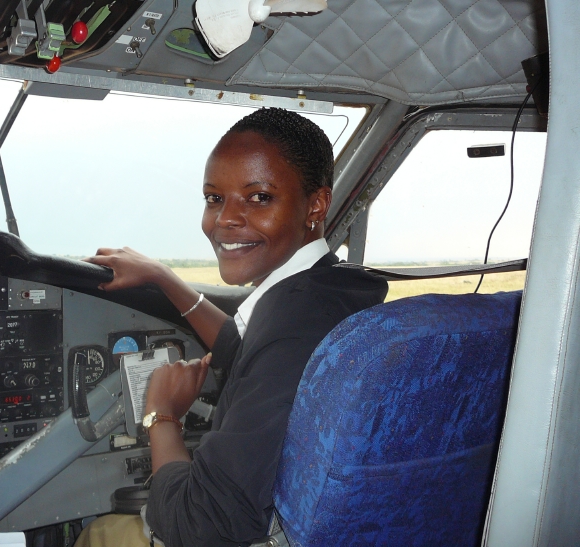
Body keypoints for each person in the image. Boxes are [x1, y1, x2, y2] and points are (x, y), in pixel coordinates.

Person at [75, 108, 388, 547]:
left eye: (258, 197)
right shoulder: (328, 292)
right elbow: (243, 348)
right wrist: (164, 277)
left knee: (100, 534)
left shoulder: (291, 331)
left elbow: (200, 527)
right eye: (214, 198)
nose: (225, 219)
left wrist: (161, 415)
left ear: (316, 205)